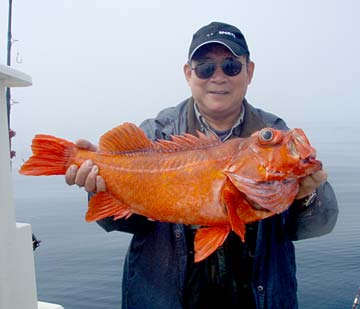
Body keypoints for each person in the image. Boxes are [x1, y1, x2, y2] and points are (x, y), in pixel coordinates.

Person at [65, 22, 338, 309]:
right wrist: (98, 186)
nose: (218, 77)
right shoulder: (155, 134)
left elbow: (319, 225)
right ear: (188, 74)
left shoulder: (276, 134)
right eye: (206, 68)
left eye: (231, 66)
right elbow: (121, 221)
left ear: (250, 71)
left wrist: (307, 196)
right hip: (164, 297)